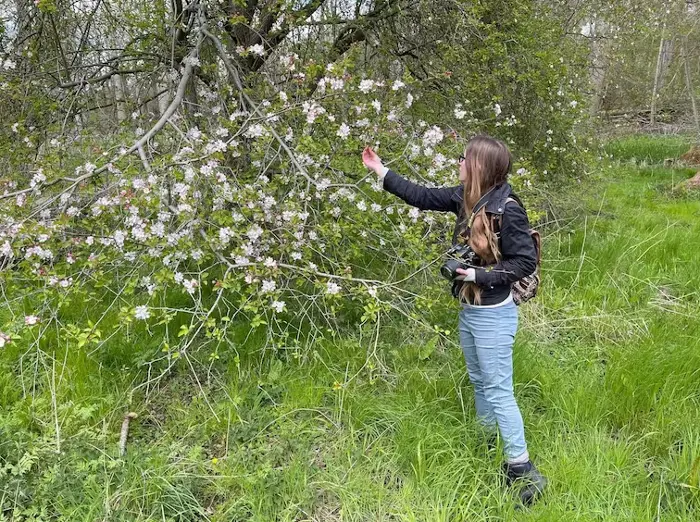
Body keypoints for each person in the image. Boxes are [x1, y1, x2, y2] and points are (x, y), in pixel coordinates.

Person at [361, 135, 547, 506]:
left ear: (479, 165)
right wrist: (380, 170)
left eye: (463, 158)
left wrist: (476, 276)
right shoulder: (466, 198)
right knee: (479, 380)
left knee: (498, 389)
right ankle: (486, 442)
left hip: (493, 313)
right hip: (470, 309)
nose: (458, 163)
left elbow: (524, 262)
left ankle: (521, 469)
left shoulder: (507, 207)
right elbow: (421, 196)